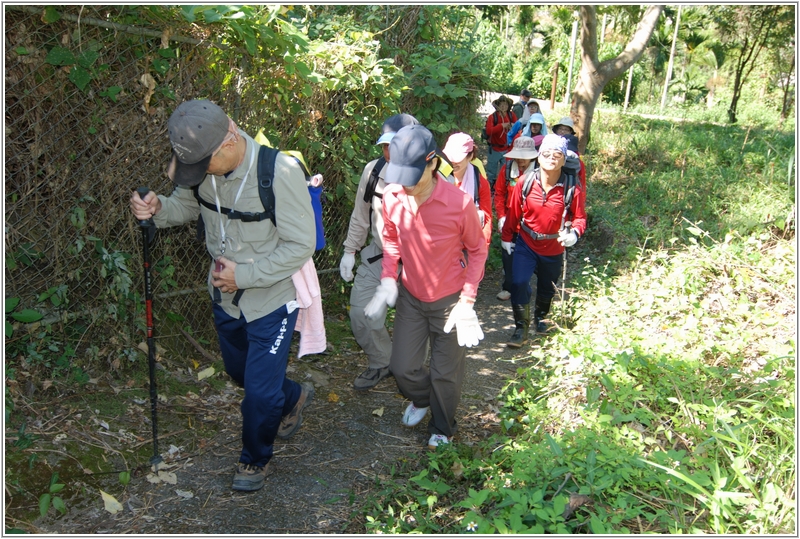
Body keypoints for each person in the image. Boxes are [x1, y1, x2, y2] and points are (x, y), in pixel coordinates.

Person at [129, 99, 316, 492]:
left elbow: (302, 244)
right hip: (224, 297)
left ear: (230, 138)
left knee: (260, 394)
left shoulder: (277, 171)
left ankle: (254, 459)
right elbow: (185, 205)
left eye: (203, 166)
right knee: (240, 374)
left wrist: (244, 275)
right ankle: (295, 396)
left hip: (271, 298)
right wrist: (158, 208)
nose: (197, 175)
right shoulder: (200, 163)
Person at [364, 124, 488, 450]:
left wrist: (467, 301)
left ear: (432, 163)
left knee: (446, 374)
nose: (403, 185)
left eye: (411, 175)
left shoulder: (458, 204)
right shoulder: (392, 195)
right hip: (411, 296)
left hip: (450, 299)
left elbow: (477, 250)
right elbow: (391, 240)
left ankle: (443, 426)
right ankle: (422, 398)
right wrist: (389, 278)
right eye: (398, 175)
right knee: (401, 367)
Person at [339, 113, 420, 390]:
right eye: (385, 145)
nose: (388, 151)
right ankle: (381, 361)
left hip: (418, 262)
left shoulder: (430, 174)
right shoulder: (373, 171)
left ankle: (412, 373)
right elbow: (360, 215)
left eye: (395, 145)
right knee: (361, 314)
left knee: (416, 323)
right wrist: (350, 250)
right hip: (379, 254)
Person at [501, 134, 587, 348]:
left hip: (553, 247)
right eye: (546, 154)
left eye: (557, 154)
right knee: (518, 282)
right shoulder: (525, 182)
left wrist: (575, 233)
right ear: (538, 157)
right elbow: (513, 213)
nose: (551, 158)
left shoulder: (571, 188)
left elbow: (580, 217)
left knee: (547, 287)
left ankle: (541, 317)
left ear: (563, 159)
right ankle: (521, 328)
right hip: (526, 242)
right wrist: (506, 238)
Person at [493, 136, 539, 301]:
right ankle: (509, 287)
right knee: (508, 256)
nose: (521, 161)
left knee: (530, 257)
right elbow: (499, 194)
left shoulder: (540, 172)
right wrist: (501, 216)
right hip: (510, 223)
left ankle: (526, 285)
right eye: (518, 156)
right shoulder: (506, 170)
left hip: (532, 224)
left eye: (525, 157)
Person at [442, 132, 493, 246]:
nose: (453, 163)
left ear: (470, 156)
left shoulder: (479, 183)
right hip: (443, 244)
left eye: (457, 159)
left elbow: (486, 218)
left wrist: (482, 249)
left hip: (469, 245)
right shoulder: (438, 178)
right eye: (450, 158)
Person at [484, 95, 517, 189]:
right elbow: (489, 131)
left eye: (505, 104)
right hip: (494, 148)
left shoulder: (511, 115)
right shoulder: (492, 117)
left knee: (505, 171)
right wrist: (501, 126)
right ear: (497, 105)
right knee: (491, 171)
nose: (503, 106)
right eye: (501, 104)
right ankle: (490, 187)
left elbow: (517, 128)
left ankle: (502, 187)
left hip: (507, 149)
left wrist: (511, 126)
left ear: (508, 106)